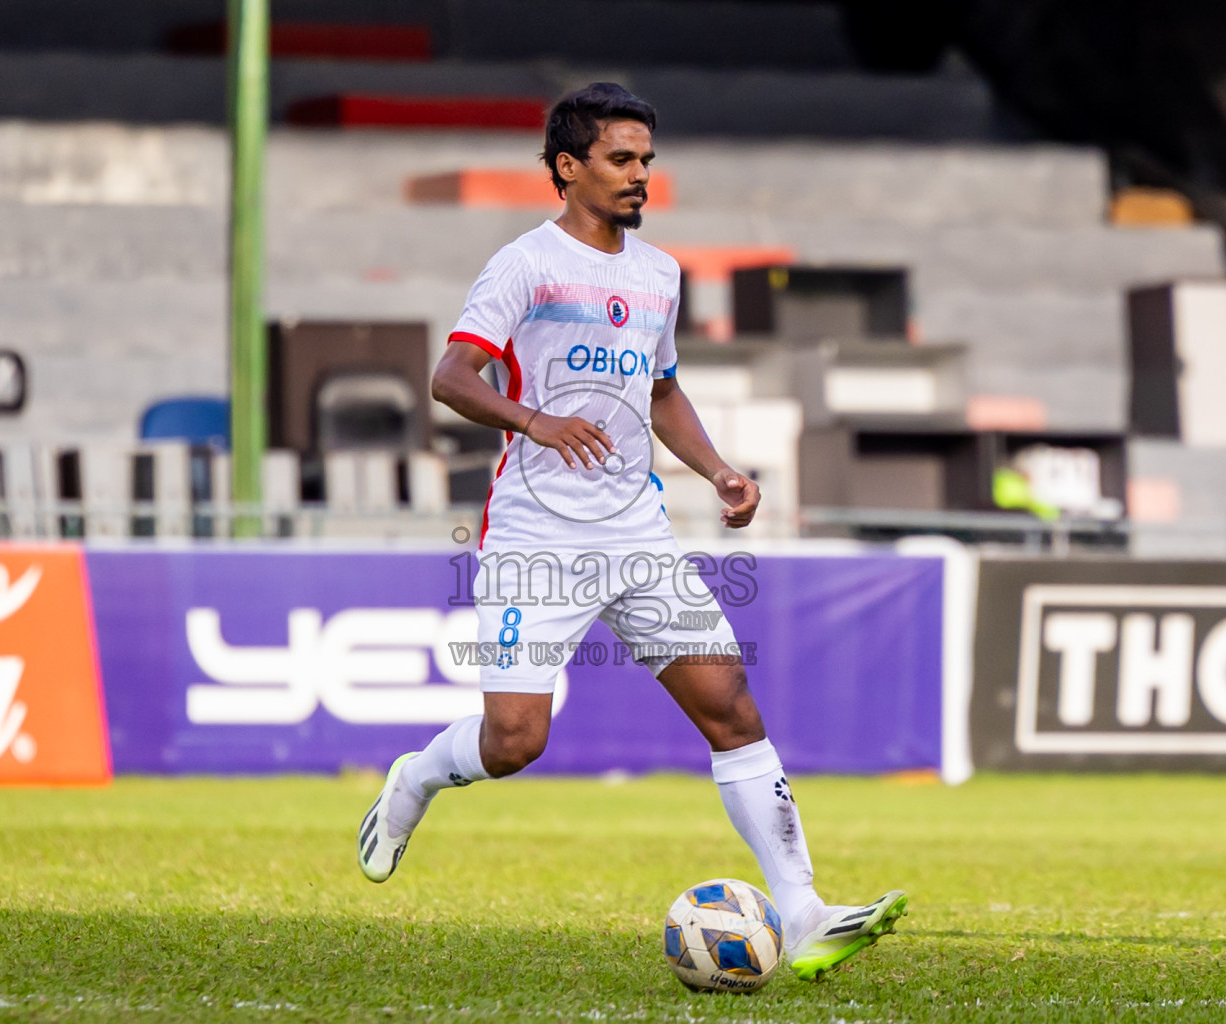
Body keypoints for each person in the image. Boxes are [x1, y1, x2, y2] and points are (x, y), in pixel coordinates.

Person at [357, 82, 906, 980]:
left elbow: (659, 392)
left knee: (730, 707)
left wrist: (719, 469)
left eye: (647, 159)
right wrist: (534, 422)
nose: (640, 175)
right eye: (621, 158)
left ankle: (803, 912)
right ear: (567, 168)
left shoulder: (659, 272)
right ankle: (415, 778)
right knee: (515, 743)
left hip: (637, 533)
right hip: (537, 538)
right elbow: (451, 378)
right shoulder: (523, 265)